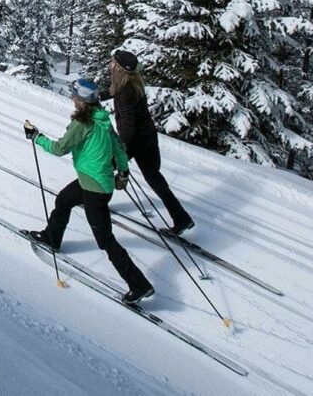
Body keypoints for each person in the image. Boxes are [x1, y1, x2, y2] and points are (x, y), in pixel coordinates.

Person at [22, 78, 154, 304]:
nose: (72, 98)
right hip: (93, 181)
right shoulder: (102, 119)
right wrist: (123, 173)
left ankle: (139, 285)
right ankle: (52, 237)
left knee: (105, 240)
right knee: (64, 200)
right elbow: (119, 149)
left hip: (94, 188)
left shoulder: (82, 124)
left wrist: (37, 137)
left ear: (82, 100)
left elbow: (59, 149)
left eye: (74, 95)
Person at [108, 49, 194, 235]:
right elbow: (114, 93)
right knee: (155, 178)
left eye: (113, 63)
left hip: (133, 141)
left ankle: (92, 199)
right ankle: (181, 217)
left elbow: (129, 126)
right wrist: (96, 96)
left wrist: (119, 148)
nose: (110, 65)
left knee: (104, 165)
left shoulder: (123, 90)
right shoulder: (134, 82)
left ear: (119, 68)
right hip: (148, 138)